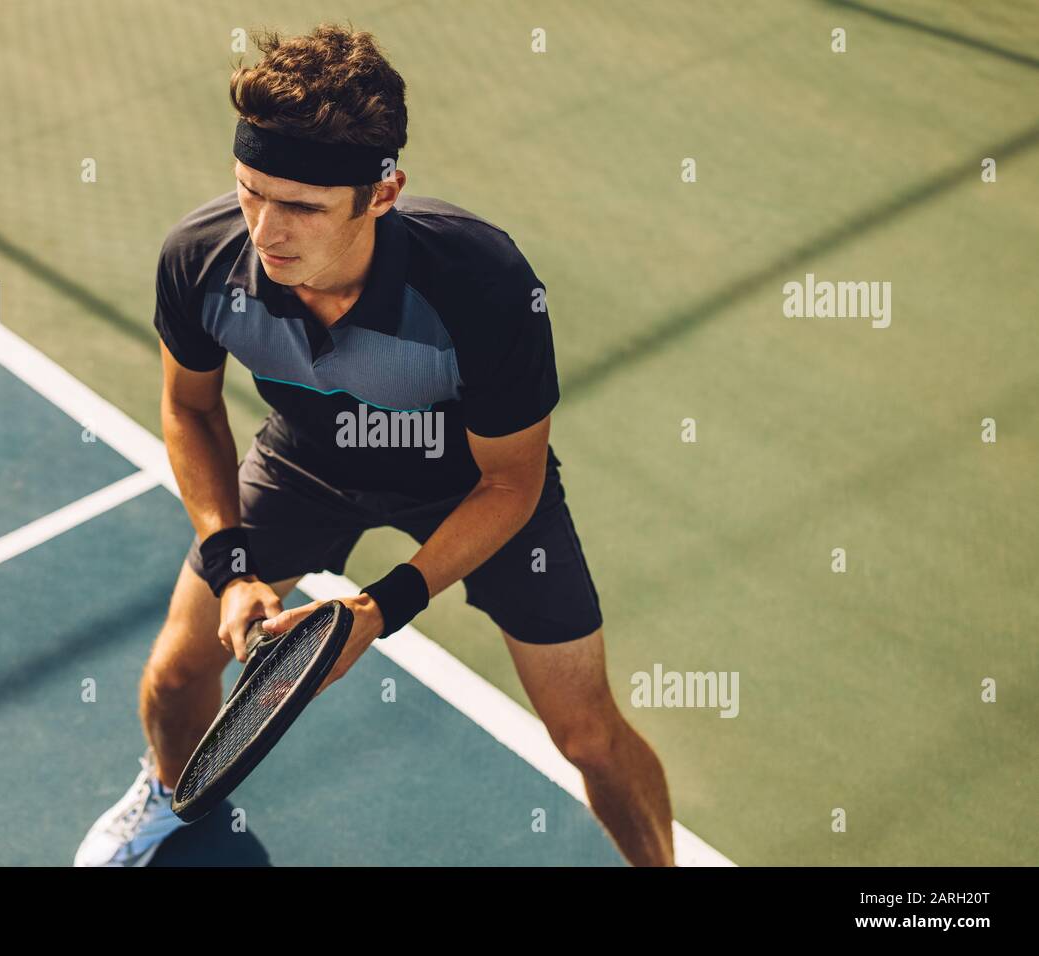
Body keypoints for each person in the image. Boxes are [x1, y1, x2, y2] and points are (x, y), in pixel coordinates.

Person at [74, 22, 675, 867]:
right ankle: (173, 800)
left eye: (302, 207)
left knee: (586, 736)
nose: (266, 231)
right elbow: (190, 410)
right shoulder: (202, 259)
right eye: (250, 191)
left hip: (467, 486)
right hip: (306, 460)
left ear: (382, 194)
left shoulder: (484, 284)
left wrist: (383, 606)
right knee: (177, 675)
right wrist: (231, 565)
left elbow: (513, 480)